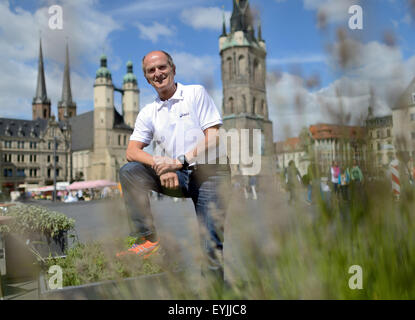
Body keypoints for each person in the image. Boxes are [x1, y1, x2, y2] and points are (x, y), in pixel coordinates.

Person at [117, 51, 230, 286]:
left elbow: (214, 136)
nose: (158, 73)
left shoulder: (195, 93)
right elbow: (132, 152)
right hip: (177, 174)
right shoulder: (148, 112)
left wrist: (179, 162)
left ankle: (216, 296)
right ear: (147, 79)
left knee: (211, 245)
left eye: (162, 67)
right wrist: (161, 166)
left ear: (173, 68)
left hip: (211, 173)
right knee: (129, 172)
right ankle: (147, 240)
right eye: (151, 71)